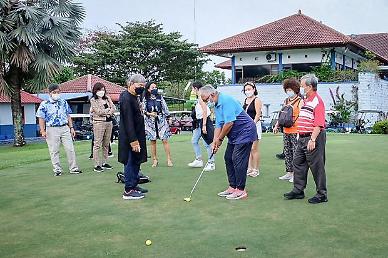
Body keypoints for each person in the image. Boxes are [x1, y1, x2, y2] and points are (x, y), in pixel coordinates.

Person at [199, 85, 257, 200]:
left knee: (237, 158)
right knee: (228, 157)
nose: (206, 102)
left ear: (212, 95)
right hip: (235, 134)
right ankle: (232, 187)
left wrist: (220, 139)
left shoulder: (226, 100)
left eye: (206, 99)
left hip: (245, 132)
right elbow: (219, 124)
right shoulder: (216, 105)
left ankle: (241, 190)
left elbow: (229, 123)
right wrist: (215, 141)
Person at [283, 74, 328, 204]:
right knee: (298, 163)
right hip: (302, 137)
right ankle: (298, 190)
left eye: (302, 86)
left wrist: (312, 139)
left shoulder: (317, 102)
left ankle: (322, 194)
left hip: (312, 137)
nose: (301, 88)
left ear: (309, 87)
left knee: (316, 166)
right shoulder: (306, 100)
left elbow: (319, 124)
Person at [36, 84, 82, 176]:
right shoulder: (44, 104)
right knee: (54, 150)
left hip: (64, 128)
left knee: (70, 149)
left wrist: (71, 127)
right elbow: (41, 118)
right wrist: (43, 130)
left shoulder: (63, 102)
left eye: (58, 92)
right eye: (54, 92)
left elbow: (68, 115)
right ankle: (57, 169)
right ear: (50, 93)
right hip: (52, 129)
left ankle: (73, 168)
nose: (56, 94)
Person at [118, 74, 148, 200]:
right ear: (131, 84)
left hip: (138, 133)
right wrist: (133, 140)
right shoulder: (126, 98)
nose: (141, 88)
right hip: (130, 136)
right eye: (139, 86)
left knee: (136, 161)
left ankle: (134, 184)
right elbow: (128, 120)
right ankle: (129, 190)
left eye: (143, 86)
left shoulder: (136, 97)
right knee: (130, 161)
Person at [274, 78, 303, 183]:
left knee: (296, 152)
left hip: (296, 130)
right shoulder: (286, 101)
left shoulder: (300, 101)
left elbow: (302, 115)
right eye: (287, 90)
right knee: (287, 151)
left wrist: (301, 130)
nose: (288, 92)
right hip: (286, 129)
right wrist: (277, 125)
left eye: (290, 89)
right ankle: (289, 172)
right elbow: (281, 114)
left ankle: (296, 174)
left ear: (295, 89)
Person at [143, 81, 173, 167]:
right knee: (152, 141)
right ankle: (154, 160)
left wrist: (169, 117)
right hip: (150, 122)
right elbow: (143, 110)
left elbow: (165, 108)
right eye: (152, 87)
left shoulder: (160, 97)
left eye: (155, 87)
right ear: (148, 89)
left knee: (165, 140)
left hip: (161, 121)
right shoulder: (145, 98)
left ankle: (169, 159)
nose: (154, 89)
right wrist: (149, 114)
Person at [187, 81, 215, 171]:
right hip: (198, 122)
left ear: (195, 88)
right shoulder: (199, 97)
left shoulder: (201, 97)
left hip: (204, 121)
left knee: (207, 143)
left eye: (192, 89)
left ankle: (211, 163)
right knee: (194, 141)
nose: (192, 91)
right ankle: (198, 159)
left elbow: (205, 111)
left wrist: (203, 125)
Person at [90, 82, 116, 172]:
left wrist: (108, 111)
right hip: (98, 123)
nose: (102, 91)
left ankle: (105, 162)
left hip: (109, 122)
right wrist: (108, 111)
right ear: (95, 90)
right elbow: (98, 111)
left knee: (106, 143)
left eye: (103, 90)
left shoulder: (107, 98)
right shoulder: (93, 100)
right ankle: (96, 164)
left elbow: (114, 108)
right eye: (100, 90)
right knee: (97, 144)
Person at [242, 82, 262, 177]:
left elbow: (258, 114)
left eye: (249, 89)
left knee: (254, 148)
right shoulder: (245, 100)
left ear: (254, 89)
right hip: (246, 127)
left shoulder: (257, 100)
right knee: (248, 148)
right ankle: (249, 168)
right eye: (246, 89)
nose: (247, 91)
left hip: (255, 126)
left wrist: (253, 124)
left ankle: (256, 169)